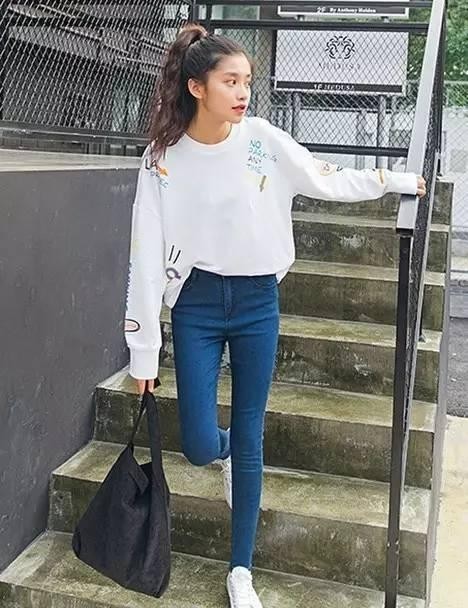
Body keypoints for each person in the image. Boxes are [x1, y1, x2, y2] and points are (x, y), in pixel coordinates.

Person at [123, 22, 426, 608]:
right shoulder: (162, 160)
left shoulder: (261, 139)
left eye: (247, 81)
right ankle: (225, 451)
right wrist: (143, 351)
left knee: (252, 431)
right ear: (196, 87)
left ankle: (241, 571)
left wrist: (393, 181)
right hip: (196, 305)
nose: (243, 93)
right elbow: (144, 253)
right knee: (200, 444)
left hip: (258, 301)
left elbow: (325, 178)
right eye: (230, 82)